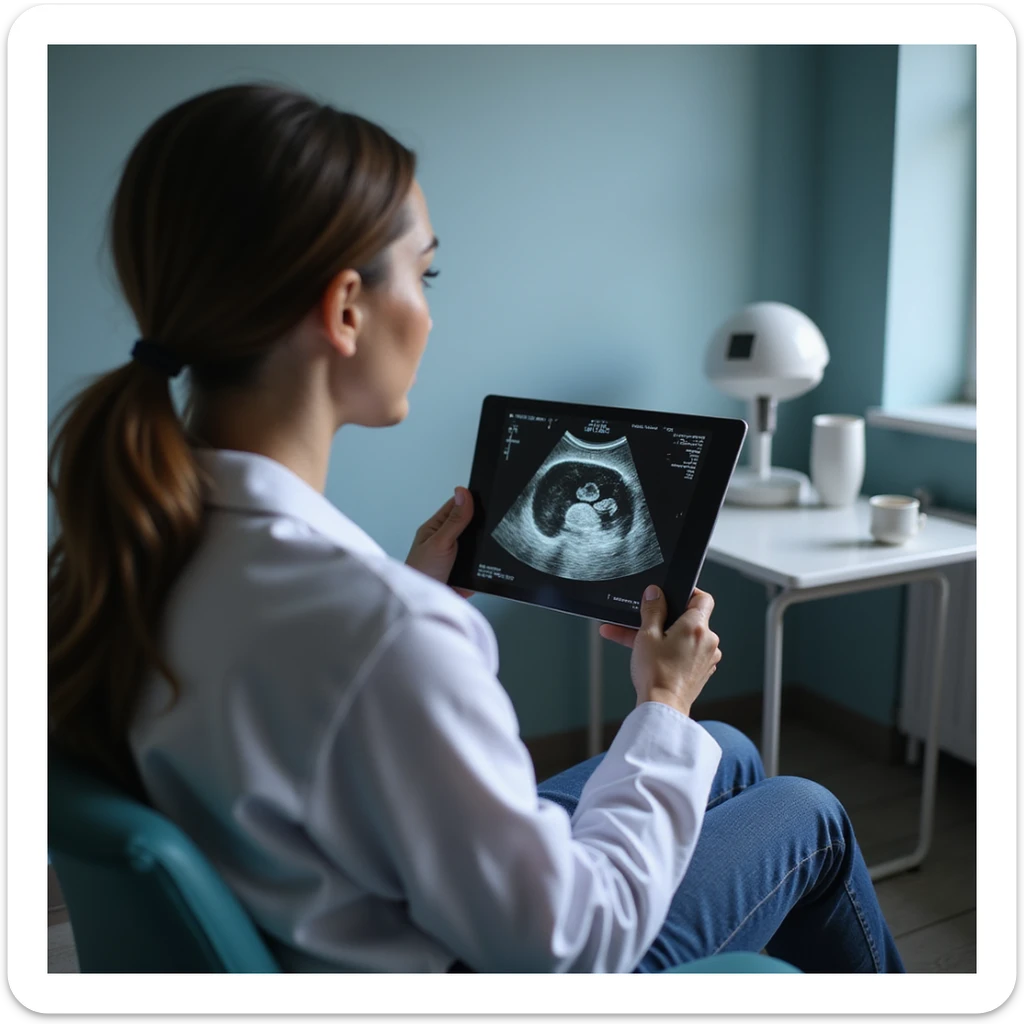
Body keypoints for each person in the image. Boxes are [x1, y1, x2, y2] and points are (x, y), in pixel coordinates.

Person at [47, 83, 905, 974]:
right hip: (475, 965)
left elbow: (300, 710)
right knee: (806, 813)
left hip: (329, 898)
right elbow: (574, 948)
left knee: (718, 748)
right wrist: (660, 700)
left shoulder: (127, 546)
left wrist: (416, 590)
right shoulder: (384, 634)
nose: (427, 307)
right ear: (346, 310)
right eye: (426, 273)